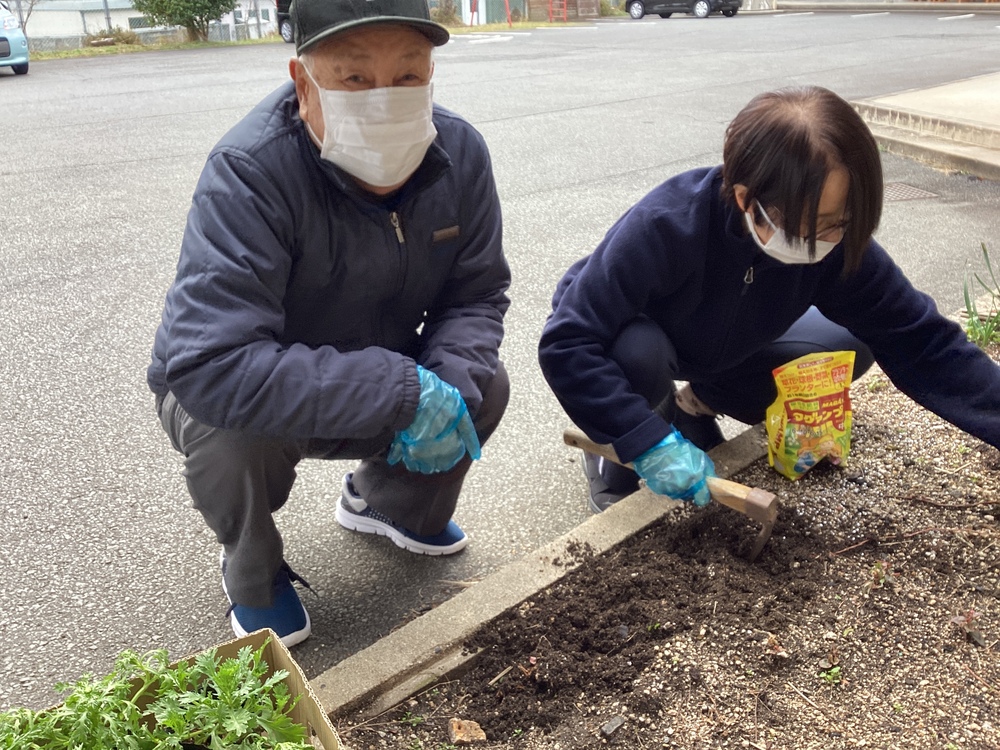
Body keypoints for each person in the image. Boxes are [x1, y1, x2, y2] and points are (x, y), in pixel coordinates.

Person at [148, 0, 511, 647]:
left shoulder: (459, 154)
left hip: (374, 365)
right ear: (303, 83)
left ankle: (388, 503)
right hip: (260, 388)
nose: (385, 99)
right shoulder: (249, 171)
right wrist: (401, 390)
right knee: (227, 431)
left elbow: (476, 294)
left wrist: (445, 385)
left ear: (431, 73)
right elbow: (211, 364)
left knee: (483, 384)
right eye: (354, 77)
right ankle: (253, 571)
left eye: (408, 75)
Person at [538, 85, 1000, 514]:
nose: (830, 238)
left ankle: (692, 406)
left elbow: (921, 340)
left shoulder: (834, 243)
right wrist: (646, 443)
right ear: (747, 199)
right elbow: (568, 342)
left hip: (732, 343)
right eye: (816, 224)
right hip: (642, 337)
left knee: (849, 346)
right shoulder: (666, 225)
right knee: (637, 354)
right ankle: (613, 462)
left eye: (842, 221)